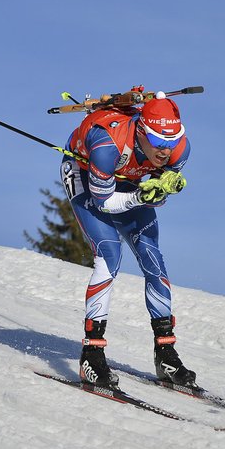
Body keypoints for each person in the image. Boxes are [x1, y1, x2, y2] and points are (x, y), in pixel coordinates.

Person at [60, 91, 196, 389]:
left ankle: (166, 352)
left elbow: (156, 196)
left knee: (153, 259)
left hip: (127, 178)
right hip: (87, 174)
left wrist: (163, 187)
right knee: (109, 255)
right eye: (159, 142)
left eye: (171, 142)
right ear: (142, 130)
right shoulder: (105, 146)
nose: (165, 150)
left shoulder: (178, 149)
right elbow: (104, 203)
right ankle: (91, 354)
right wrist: (139, 196)